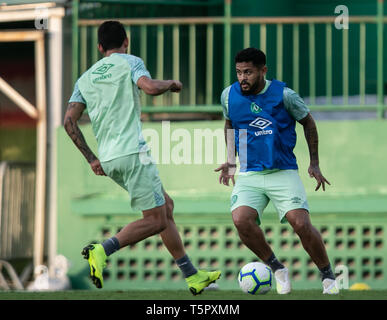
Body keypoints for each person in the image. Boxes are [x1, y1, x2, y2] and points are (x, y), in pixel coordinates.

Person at [64, 20, 221, 295]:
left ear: (100, 47)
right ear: (126, 41)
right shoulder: (130, 61)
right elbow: (148, 87)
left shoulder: (86, 78)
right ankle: (101, 250)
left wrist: (91, 158)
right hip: (134, 154)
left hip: (109, 160)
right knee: (156, 219)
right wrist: (171, 83)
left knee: (165, 207)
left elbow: (69, 122)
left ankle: (193, 276)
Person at [215, 47, 339, 294]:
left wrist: (314, 163)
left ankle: (328, 277)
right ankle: (277, 268)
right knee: (240, 220)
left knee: (301, 224)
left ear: (263, 70)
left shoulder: (284, 95)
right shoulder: (229, 95)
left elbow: (308, 122)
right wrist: (230, 160)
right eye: (239, 72)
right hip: (250, 173)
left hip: (282, 171)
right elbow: (230, 124)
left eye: (248, 72)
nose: (242, 78)